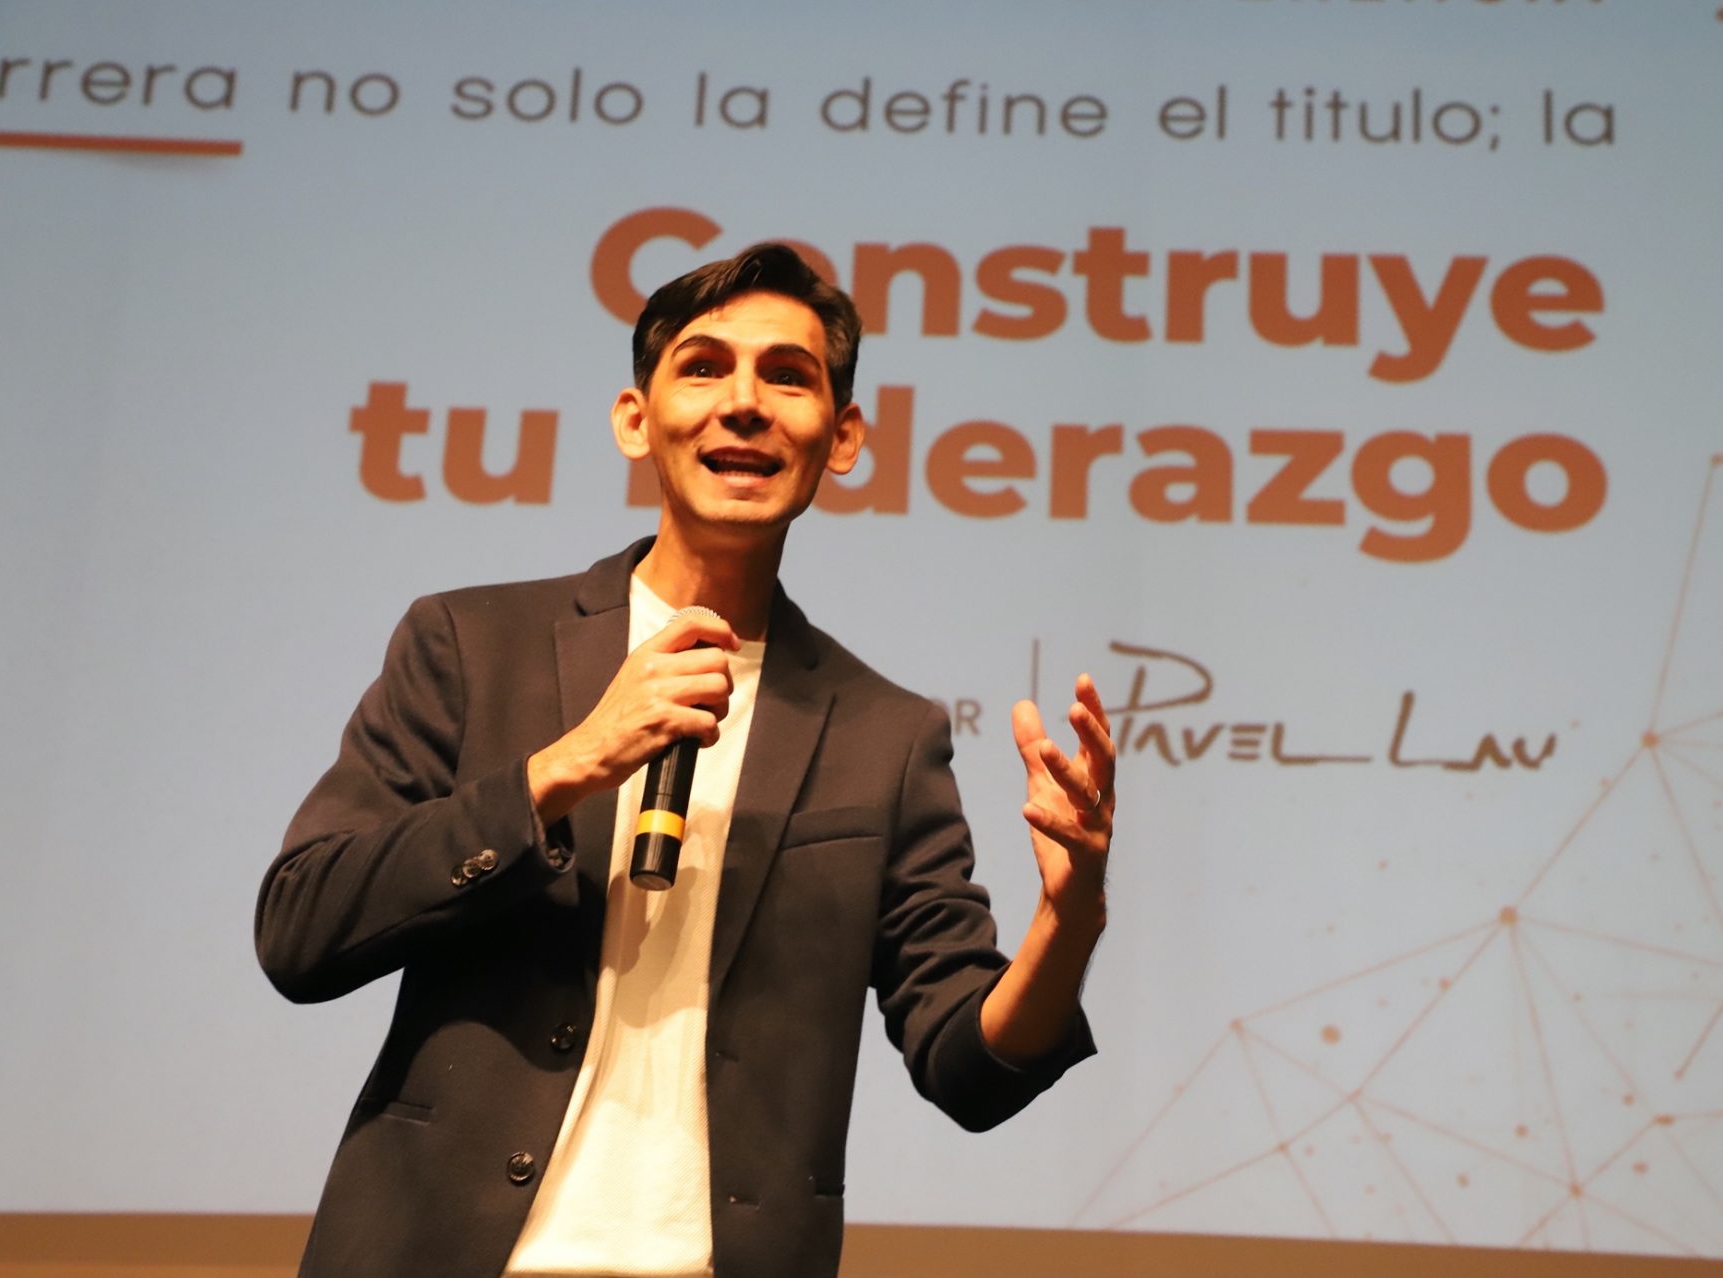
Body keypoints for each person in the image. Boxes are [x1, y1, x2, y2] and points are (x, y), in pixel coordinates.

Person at [256, 243, 1115, 1278]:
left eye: (787, 377)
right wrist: (564, 768)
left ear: (843, 437)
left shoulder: (883, 734)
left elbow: (970, 1069)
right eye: (704, 367)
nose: (743, 404)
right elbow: (300, 929)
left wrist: (1070, 918)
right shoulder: (471, 646)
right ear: (636, 419)